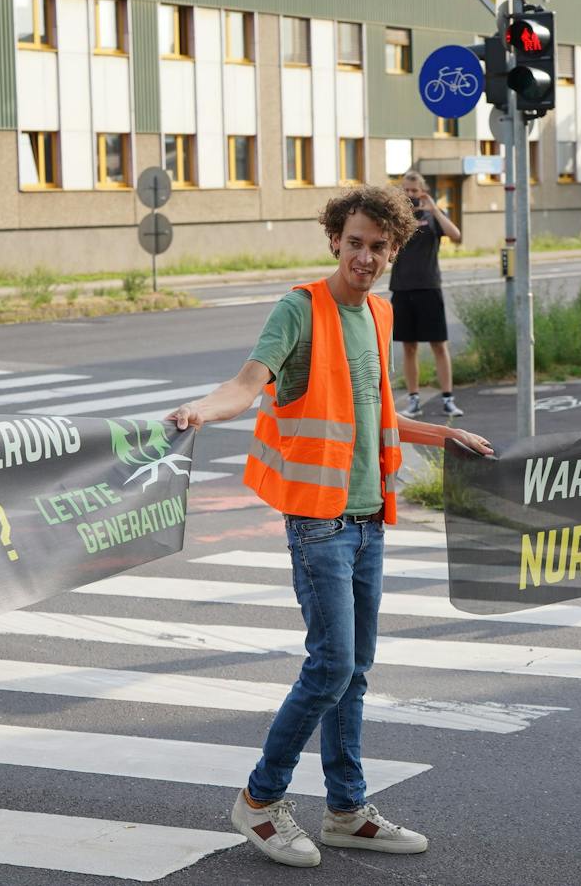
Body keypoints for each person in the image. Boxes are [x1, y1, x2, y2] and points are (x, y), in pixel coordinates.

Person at [170, 185, 492, 868]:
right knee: (332, 666)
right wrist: (203, 409)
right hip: (318, 522)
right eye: (355, 243)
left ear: (394, 250)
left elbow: (373, 416)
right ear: (334, 240)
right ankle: (260, 800)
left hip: (369, 517)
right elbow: (248, 382)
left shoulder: (378, 315)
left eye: (379, 246)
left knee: (356, 672)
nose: (365, 257)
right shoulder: (301, 309)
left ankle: (346, 809)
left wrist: (440, 435)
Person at [388, 172, 463, 420]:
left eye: (414, 190)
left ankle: (448, 400)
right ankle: (414, 400)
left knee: (439, 346)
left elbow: (456, 235)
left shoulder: (432, 217)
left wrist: (435, 208)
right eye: (406, 190)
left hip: (430, 288)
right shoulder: (397, 219)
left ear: (423, 191)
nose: (410, 195)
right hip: (402, 288)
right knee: (409, 348)